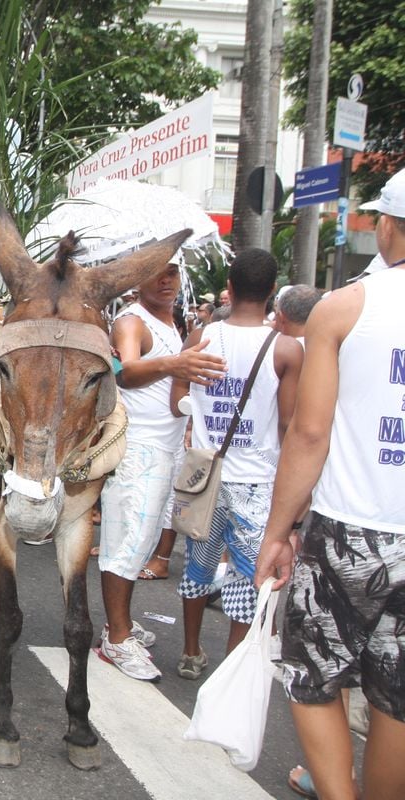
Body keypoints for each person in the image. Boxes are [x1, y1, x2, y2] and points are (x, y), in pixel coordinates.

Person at [255, 169, 405, 800]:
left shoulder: (344, 309)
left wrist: (278, 531)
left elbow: (309, 434)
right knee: (397, 698)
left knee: (314, 680)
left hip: (350, 533)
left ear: (388, 225)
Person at [170, 248, 303, 679]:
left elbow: (179, 403)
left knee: (197, 565)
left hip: (202, 473)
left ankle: (191, 652)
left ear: (228, 287)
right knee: (248, 576)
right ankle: (231, 668)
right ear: (271, 294)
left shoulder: (200, 337)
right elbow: (287, 424)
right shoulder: (284, 348)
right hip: (255, 481)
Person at [96, 257, 226, 681]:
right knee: (127, 542)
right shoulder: (131, 322)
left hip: (167, 449)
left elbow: (174, 394)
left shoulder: (172, 324)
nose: (167, 280)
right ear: (137, 279)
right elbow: (126, 372)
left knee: (144, 540)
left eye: (172, 272)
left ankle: (122, 623)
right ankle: (116, 638)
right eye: (157, 273)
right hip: (139, 449)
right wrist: (174, 364)